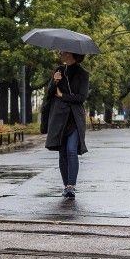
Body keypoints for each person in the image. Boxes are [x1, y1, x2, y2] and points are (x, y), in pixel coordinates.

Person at [40, 50, 89, 198]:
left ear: (70, 54)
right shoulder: (59, 70)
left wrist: (63, 96)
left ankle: (71, 186)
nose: (59, 53)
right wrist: (54, 82)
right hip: (59, 117)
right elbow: (49, 94)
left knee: (71, 150)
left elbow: (82, 97)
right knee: (62, 153)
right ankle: (66, 186)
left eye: (62, 51)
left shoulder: (83, 73)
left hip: (74, 118)